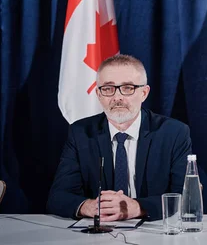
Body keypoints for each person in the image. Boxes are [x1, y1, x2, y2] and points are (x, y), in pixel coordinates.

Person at [47, 54, 192, 221]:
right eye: (108, 88)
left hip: (154, 231)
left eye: (128, 88)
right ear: (98, 94)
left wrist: (137, 207)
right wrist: (90, 206)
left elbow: (186, 196)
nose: (117, 97)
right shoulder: (81, 133)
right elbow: (58, 196)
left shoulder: (174, 133)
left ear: (144, 93)